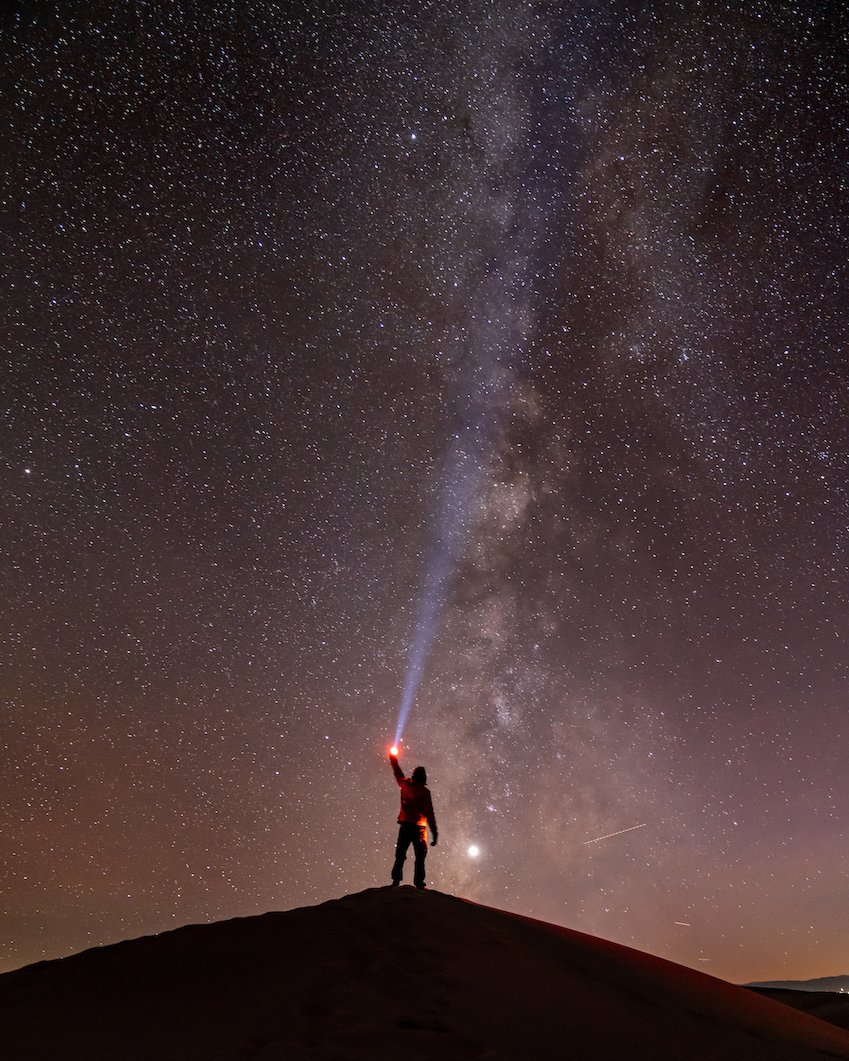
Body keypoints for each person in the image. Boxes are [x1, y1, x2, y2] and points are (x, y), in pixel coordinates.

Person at [389, 749, 438, 889]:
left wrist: (393, 759)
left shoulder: (405, 785)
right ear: (424, 778)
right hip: (419, 829)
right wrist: (434, 833)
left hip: (406, 826)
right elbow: (430, 813)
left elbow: (397, 772)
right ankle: (419, 883)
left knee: (400, 855)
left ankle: (396, 881)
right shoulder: (425, 792)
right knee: (420, 857)